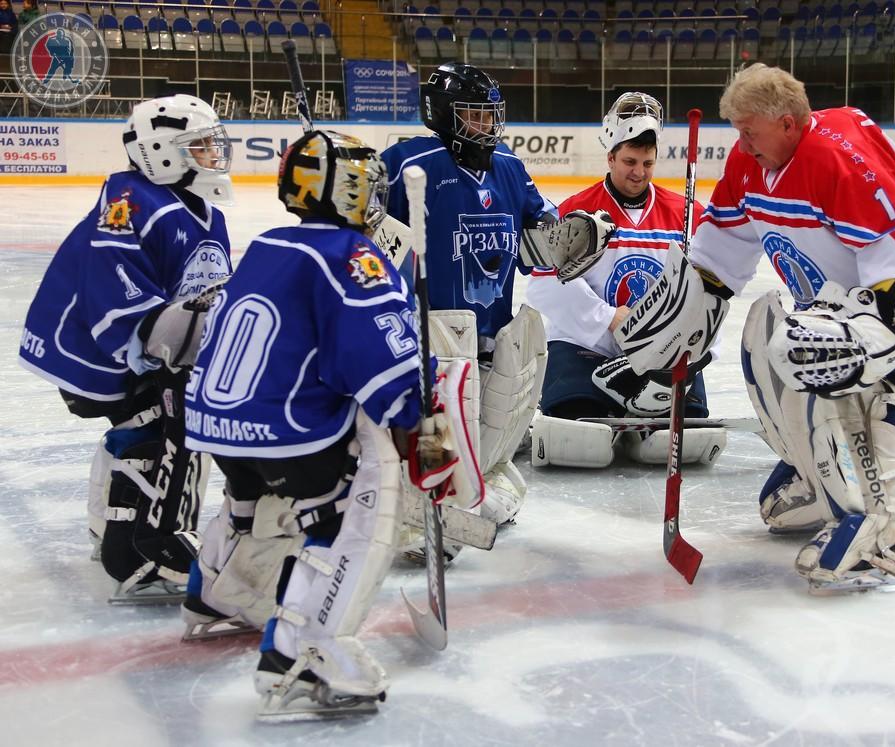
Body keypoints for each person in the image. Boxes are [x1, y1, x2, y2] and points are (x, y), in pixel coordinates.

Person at [614, 64, 895, 594]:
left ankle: (882, 539)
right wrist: (693, 303)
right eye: (736, 130)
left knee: (865, 381)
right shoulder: (751, 157)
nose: (741, 143)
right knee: (772, 333)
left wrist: (879, 320)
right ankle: (819, 479)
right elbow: (726, 245)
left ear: (788, 124)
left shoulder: (840, 159)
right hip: (841, 280)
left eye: (749, 131)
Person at [180, 130, 480, 719]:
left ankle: (216, 590)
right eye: (370, 185)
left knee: (249, 499)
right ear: (350, 191)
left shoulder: (268, 243)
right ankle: (306, 648)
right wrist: (413, 419)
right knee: (347, 513)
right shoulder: (352, 255)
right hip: (290, 426)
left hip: (218, 420)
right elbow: (376, 352)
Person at [17, 94, 234, 602]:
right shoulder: (129, 199)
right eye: (197, 145)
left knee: (163, 420)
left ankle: (106, 525)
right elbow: (113, 288)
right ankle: (137, 549)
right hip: (96, 348)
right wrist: (158, 342)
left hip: (151, 348)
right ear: (161, 151)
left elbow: (207, 292)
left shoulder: (205, 212)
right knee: (155, 425)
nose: (211, 154)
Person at [381, 62, 554, 530]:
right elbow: (370, 234)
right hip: (433, 344)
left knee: (487, 441)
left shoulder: (511, 170)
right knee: (435, 443)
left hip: (490, 341)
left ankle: (484, 474)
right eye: (474, 115)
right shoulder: (408, 164)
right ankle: (424, 498)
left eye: (491, 114)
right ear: (441, 113)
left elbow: (546, 234)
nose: (487, 125)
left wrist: (572, 235)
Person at [527, 91, 726, 470]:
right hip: (591, 345)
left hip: (662, 352)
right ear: (610, 157)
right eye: (630, 161)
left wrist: (686, 339)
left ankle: (647, 417)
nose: (639, 172)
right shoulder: (574, 210)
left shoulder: (686, 214)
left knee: (686, 439)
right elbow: (544, 284)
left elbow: (711, 283)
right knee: (577, 436)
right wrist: (608, 319)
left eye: (647, 163)